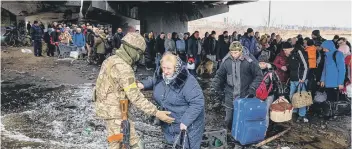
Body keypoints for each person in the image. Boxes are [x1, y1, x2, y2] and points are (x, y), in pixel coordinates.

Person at [94, 33, 175, 149]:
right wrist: (157, 113)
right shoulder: (124, 68)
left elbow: (110, 83)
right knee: (128, 144)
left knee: (118, 141)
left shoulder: (111, 59)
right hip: (115, 112)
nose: (139, 57)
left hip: (108, 108)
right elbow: (135, 97)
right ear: (132, 49)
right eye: (139, 53)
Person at [138, 52, 205, 149]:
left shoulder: (187, 81)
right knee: (172, 144)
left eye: (169, 68)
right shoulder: (161, 76)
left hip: (188, 125)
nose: (165, 71)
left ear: (176, 68)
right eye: (163, 68)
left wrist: (185, 121)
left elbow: (197, 102)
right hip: (169, 122)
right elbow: (154, 81)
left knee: (186, 145)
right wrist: (143, 85)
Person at [212, 41, 263, 131]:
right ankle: (229, 135)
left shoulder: (249, 60)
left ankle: (240, 136)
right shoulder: (226, 61)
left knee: (242, 118)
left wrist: (252, 88)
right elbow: (220, 75)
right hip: (230, 94)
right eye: (231, 52)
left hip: (245, 94)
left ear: (241, 51)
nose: (233, 55)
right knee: (228, 119)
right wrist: (216, 85)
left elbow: (259, 75)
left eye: (235, 52)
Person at [320, 40, 346, 120]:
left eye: (324, 48)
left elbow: (342, 70)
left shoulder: (338, 54)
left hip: (335, 83)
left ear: (329, 47)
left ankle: (334, 114)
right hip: (327, 82)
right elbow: (324, 69)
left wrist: (340, 83)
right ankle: (328, 113)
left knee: (334, 100)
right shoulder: (326, 55)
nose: (323, 50)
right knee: (328, 99)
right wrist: (322, 80)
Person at [288, 39, 309, 123]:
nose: (285, 52)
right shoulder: (290, 55)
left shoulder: (299, 52)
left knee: (302, 98)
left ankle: (302, 115)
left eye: (286, 50)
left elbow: (305, 66)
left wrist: (303, 79)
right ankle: (295, 111)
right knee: (292, 96)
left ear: (290, 48)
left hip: (300, 80)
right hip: (293, 79)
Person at [258, 53, 281, 127]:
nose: (261, 65)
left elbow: (278, 82)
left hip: (269, 95)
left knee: (265, 111)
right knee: (258, 109)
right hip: (258, 94)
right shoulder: (256, 70)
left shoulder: (271, 72)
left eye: (263, 63)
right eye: (260, 63)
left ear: (267, 63)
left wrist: (281, 94)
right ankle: (258, 125)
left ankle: (265, 128)